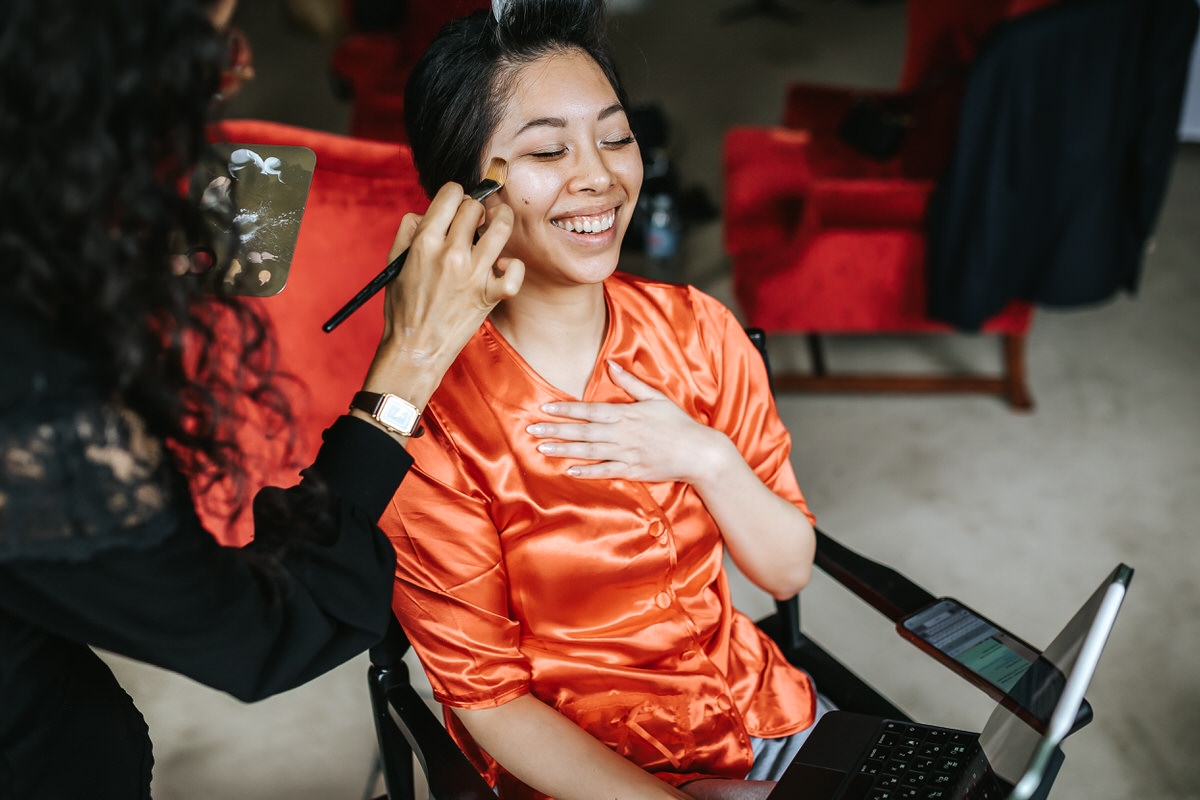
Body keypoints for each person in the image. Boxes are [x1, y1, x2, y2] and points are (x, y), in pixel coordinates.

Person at [0, 0, 522, 797]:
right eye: (210, 44)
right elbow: (261, 631)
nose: (234, 71)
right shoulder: (35, 406)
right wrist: (407, 362)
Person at [381, 2, 824, 799]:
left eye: (616, 137)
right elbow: (488, 699)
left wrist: (706, 459)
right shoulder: (429, 421)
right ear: (462, 190)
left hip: (757, 718)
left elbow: (787, 571)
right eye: (549, 149)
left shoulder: (699, 331)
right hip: (586, 772)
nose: (600, 176)